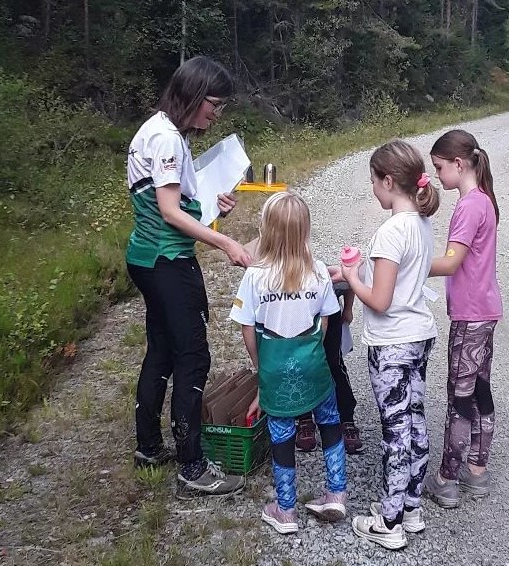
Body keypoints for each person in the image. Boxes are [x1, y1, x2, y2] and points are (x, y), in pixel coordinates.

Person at [125, 56, 251, 498]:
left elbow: (175, 202)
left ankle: (148, 447)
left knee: (161, 350)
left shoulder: (163, 131)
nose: (216, 113)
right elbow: (168, 211)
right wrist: (227, 244)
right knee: (193, 357)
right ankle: (192, 466)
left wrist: (212, 206)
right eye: (214, 104)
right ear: (194, 96)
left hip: (148, 258)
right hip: (166, 261)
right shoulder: (166, 140)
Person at [342, 139, 439, 550]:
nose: (372, 189)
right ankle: (412, 506)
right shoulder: (421, 224)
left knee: (394, 430)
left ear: (386, 181)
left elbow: (379, 301)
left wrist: (351, 276)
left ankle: (388, 520)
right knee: (414, 420)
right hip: (420, 334)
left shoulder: (390, 232)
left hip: (392, 342)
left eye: (373, 181)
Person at [231, 192, 347, 534]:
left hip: (274, 365)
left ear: (266, 231)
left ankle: (285, 510)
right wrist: (311, 347)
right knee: (329, 420)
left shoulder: (254, 276)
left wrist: (260, 365)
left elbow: (247, 328)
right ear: (305, 230)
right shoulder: (319, 272)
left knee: (281, 433)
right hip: (312, 362)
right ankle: (336, 492)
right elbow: (327, 321)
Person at [423, 129, 502, 509]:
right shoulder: (484, 201)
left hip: (469, 315)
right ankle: (477, 470)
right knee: (479, 391)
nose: (437, 174)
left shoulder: (469, 206)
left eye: (439, 167)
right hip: (486, 311)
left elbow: (452, 262)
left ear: (458, 164)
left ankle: (446, 478)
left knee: (459, 396)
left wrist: (407, 265)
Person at [295, 284, 363, 455]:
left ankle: (346, 418)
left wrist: (348, 308)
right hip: (294, 309)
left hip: (329, 310)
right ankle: (304, 418)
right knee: (300, 364)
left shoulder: (323, 267)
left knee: (333, 363)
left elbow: (348, 274)